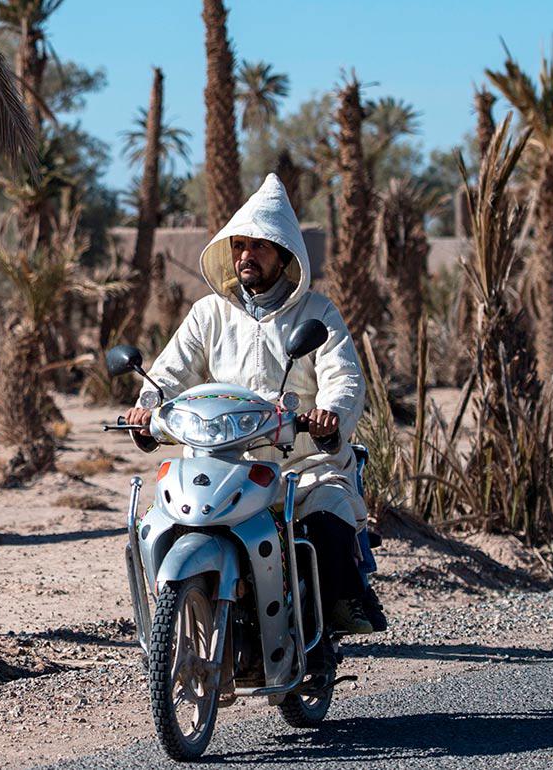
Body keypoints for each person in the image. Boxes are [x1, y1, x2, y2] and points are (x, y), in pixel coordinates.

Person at [124, 173, 386, 634]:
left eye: (259, 247)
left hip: (300, 463)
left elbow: (343, 378)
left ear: (284, 254)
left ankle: (341, 607)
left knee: (326, 516)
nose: (246, 256)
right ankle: (177, 616)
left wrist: (329, 417)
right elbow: (168, 373)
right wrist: (147, 407)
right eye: (239, 246)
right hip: (224, 464)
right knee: (159, 521)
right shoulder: (209, 313)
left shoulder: (317, 313)